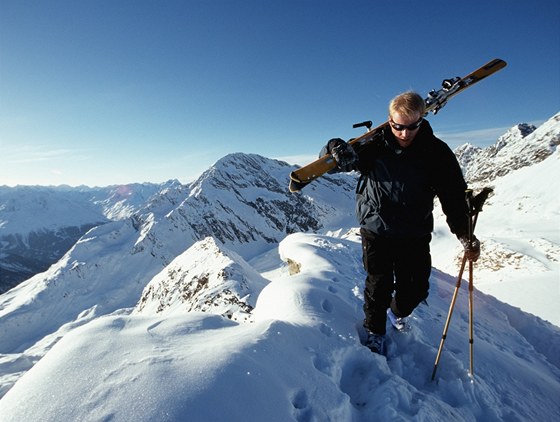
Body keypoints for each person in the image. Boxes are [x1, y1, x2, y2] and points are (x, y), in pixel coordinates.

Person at [321, 91, 480, 354]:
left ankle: (398, 312)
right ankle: (375, 330)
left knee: (416, 288)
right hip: (376, 227)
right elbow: (337, 162)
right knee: (378, 283)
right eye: (398, 126)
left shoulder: (437, 153)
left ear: (421, 119)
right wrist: (333, 148)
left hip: (414, 230)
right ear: (389, 121)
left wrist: (465, 233)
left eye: (411, 126)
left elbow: (453, 197)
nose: (405, 133)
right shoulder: (373, 144)